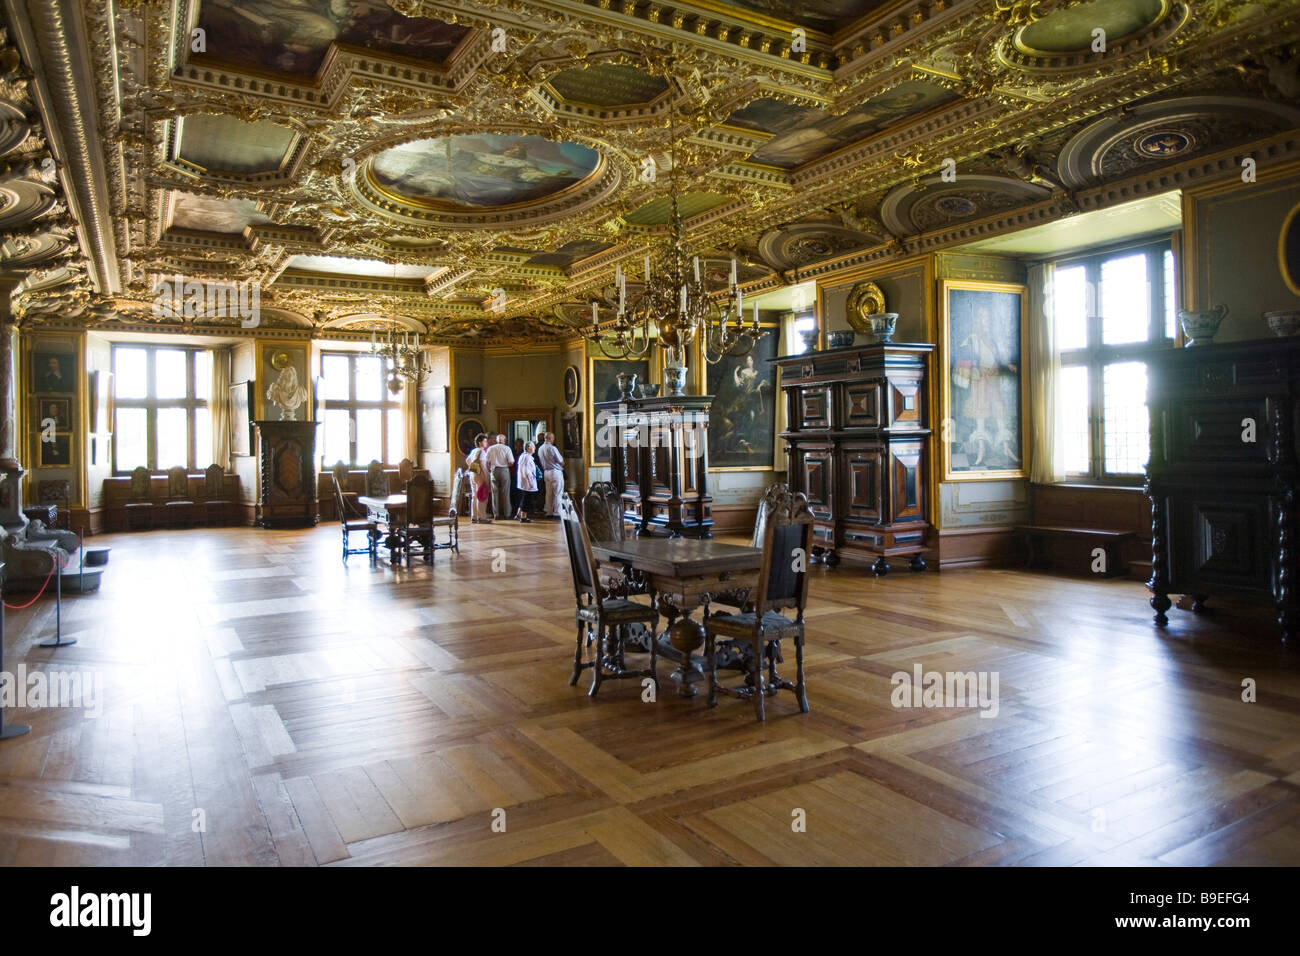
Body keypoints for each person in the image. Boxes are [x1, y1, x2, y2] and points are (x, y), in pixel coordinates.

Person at [484, 433, 515, 521]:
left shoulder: (491, 448)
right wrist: (506, 464)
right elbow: (511, 462)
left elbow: (487, 462)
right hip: (504, 470)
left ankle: (496, 514)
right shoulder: (507, 448)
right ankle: (507, 514)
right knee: (505, 493)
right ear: (504, 441)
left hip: (494, 470)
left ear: (497, 440)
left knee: (494, 493)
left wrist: (490, 470)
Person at [536, 431, 565, 519]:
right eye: (553, 438)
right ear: (550, 438)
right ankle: (557, 513)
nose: (553, 440)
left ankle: (549, 511)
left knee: (548, 493)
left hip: (546, 472)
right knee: (558, 493)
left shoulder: (540, 448)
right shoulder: (552, 448)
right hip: (555, 472)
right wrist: (563, 463)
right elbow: (561, 462)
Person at [465, 434, 491, 523]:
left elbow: (467, 460)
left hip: (472, 473)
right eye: (485, 441)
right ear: (480, 442)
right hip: (480, 475)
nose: (486, 443)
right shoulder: (482, 452)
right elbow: (482, 465)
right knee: (482, 496)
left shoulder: (474, 451)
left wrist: (473, 468)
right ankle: (482, 517)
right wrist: (485, 476)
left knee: (475, 495)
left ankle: (474, 516)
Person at [515, 441, 538, 522]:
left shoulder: (523, 456)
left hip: (524, 482)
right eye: (533, 446)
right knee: (527, 499)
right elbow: (527, 471)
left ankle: (518, 514)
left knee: (524, 498)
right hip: (527, 483)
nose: (534, 448)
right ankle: (523, 517)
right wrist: (530, 482)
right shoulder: (527, 457)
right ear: (528, 448)